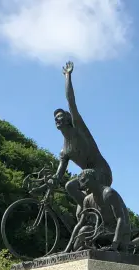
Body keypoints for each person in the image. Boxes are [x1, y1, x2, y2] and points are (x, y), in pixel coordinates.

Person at [51, 62, 114, 209]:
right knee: (73, 196)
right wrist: (52, 180)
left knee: (71, 186)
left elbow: (71, 101)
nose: (57, 119)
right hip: (88, 177)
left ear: (68, 119)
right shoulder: (64, 151)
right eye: (55, 118)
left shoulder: (79, 129)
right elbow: (59, 174)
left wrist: (67, 76)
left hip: (101, 173)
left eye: (60, 117)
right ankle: (90, 214)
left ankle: (92, 211)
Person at [63, 169, 131, 253]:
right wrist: (67, 249)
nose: (82, 185)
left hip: (119, 235)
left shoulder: (109, 193)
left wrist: (114, 245)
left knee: (86, 231)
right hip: (102, 233)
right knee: (84, 230)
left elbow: (121, 219)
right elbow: (80, 223)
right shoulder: (87, 199)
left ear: (94, 179)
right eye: (81, 182)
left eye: (84, 181)